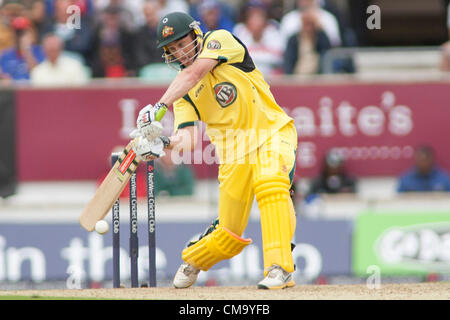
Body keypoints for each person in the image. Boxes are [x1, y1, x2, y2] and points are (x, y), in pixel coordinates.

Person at [129, 12, 298, 289]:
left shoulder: (220, 40)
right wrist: (163, 144)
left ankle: (279, 267)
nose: (180, 53)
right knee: (229, 235)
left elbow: (195, 71)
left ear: (195, 34)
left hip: (271, 134)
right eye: (171, 50)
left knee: (270, 182)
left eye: (182, 43)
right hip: (233, 156)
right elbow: (189, 138)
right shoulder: (184, 93)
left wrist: (158, 107)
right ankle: (193, 258)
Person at [232, 0, 283, 77]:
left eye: (259, 16)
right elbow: (235, 59)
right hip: (246, 77)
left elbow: (279, 60)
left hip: (270, 77)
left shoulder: (273, 31)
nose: (256, 21)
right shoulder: (239, 30)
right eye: (252, 16)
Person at [89, 4, 136, 77]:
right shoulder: (96, 34)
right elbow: (93, 54)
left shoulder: (126, 34)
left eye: (114, 18)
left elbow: (130, 54)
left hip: (122, 67)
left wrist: (129, 68)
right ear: (105, 18)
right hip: (101, 69)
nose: (112, 22)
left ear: (118, 18)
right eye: (109, 18)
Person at [283, 7, 331, 75]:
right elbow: (289, 61)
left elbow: (327, 50)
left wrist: (319, 31)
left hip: (317, 77)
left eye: (310, 24)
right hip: (298, 77)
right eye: (306, 23)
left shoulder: (320, 37)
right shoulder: (294, 39)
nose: (308, 27)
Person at [0, 16, 44, 81]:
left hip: (33, 88)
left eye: (23, 33)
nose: (19, 37)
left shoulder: (40, 51)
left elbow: (39, 75)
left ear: (31, 33)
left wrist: (27, 51)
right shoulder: (6, 55)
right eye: (17, 33)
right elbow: (4, 78)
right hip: (13, 89)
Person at [134, 0, 165, 70]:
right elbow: (140, 54)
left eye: (152, 14)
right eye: (147, 15)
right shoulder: (140, 32)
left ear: (157, 12)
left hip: (167, 66)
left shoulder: (167, 29)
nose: (150, 18)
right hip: (148, 68)